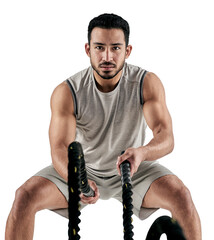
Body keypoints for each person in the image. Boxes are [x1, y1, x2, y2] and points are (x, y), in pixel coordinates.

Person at [5, 13, 201, 240]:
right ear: (88, 50)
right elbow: (59, 148)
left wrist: (142, 152)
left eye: (116, 48)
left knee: (182, 196)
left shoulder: (146, 83)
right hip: (82, 170)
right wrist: (75, 179)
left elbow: (166, 136)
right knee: (24, 197)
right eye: (99, 47)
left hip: (133, 167)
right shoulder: (67, 92)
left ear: (127, 51)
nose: (107, 56)